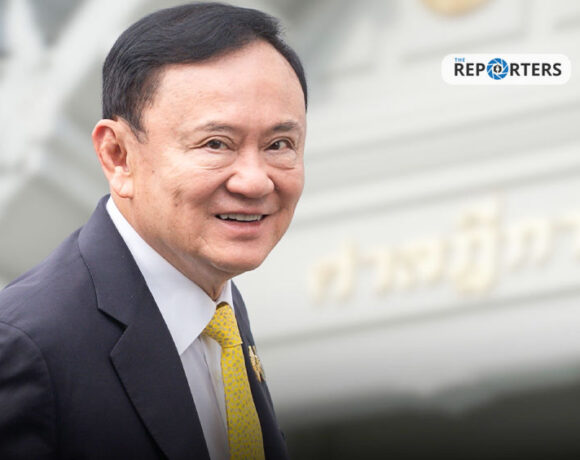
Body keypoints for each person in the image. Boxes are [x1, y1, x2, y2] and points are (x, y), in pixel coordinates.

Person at [0, 3, 307, 459]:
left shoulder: (218, 309)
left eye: (279, 144)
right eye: (216, 144)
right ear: (118, 156)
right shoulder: (26, 347)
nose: (255, 181)